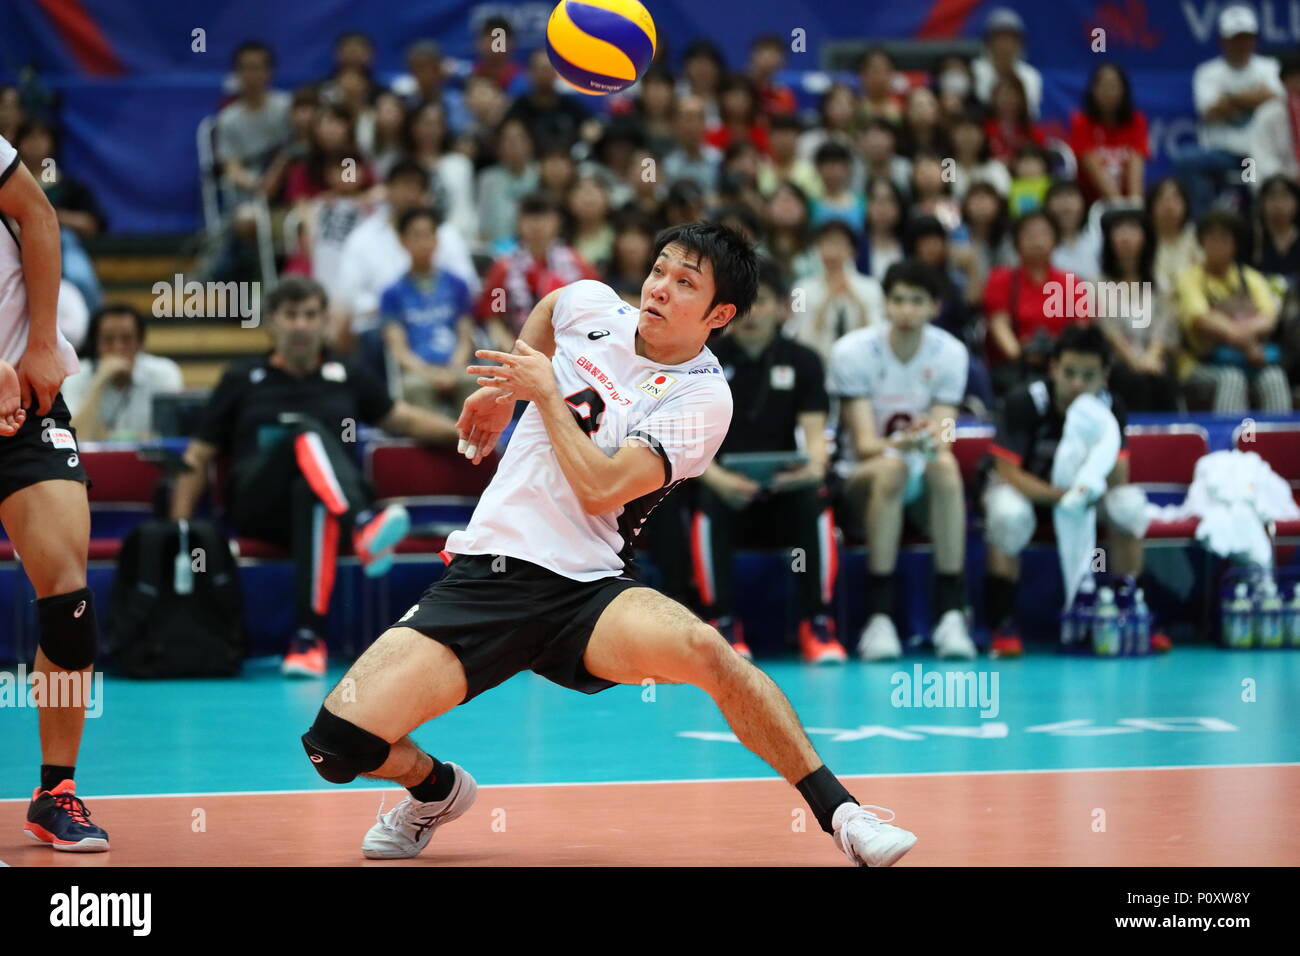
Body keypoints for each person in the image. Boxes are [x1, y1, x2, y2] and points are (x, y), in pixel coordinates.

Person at [299, 221, 918, 867]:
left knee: (709, 652)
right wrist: (503, 391)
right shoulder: (592, 305)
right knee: (333, 746)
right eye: (660, 270)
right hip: (487, 575)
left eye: (685, 284)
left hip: (588, 592)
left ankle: (845, 816)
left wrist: (543, 393)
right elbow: (548, 308)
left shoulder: (703, 397)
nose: (659, 289)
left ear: (720, 313)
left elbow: (600, 489)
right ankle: (436, 792)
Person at [170, 277, 460, 678]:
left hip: (320, 507)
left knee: (311, 492)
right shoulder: (242, 377)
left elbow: (405, 419)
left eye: (310, 315)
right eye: (291, 315)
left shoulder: (349, 374)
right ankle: (362, 524)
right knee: (305, 432)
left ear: (324, 321)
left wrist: (472, 432)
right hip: (258, 504)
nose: (301, 325)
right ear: (272, 322)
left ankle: (308, 642)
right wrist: (178, 530)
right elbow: (197, 455)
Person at [1, 132, 108, 851]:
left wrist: (40, 343)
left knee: (68, 601)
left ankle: (55, 790)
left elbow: (37, 215)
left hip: (28, 401)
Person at [688, 262, 845, 663]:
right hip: (725, 487)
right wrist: (719, 479)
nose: (751, 313)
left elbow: (815, 437)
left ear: (781, 309)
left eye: (760, 303)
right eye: (740, 304)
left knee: (817, 500)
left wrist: (811, 469)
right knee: (706, 505)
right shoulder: (704, 360)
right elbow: (687, 442)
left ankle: (818, 624)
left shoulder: (805, 361)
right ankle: (721, 623)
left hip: (784, 489)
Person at [830, 260, 976, 661]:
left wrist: (931, 437)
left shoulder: (950, 353)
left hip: (919, 475)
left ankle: (951, 615)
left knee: (945, 468)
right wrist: (905, 442)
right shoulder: (853, 352)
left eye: (917, 301)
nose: (907, 310)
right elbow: (864, 444)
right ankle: (879, 619)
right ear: (885, 306)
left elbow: (943, 440)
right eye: (898, 300)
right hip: (864, 476)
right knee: (892, 469)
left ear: (934, 307)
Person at [982, 324, 1147, 657]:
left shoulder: (1110, 408)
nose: (1076, 384)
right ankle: (1003, 623)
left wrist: (1104, 433)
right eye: (1068, 372)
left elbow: (1118, 478)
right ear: (1053, 368)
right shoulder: (1025, 401)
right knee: (1007, 516)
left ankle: (1127, 605)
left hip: (1083, 495)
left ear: (1105, 376)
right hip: (1026, 491)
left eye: (1088, 376)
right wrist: (1064, 498)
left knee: (1130, 506)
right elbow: (1008, 472)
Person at [335, 161, 478, 347]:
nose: (410, 194)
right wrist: (395, 307)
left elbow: (468, 286)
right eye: (404, 185)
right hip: (381, 325)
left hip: (441, 320)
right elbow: (349, 298)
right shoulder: (361, 238)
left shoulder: (446, 234)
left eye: (417, 187)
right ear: (387, 189)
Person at [1175, 210, 1289, 412]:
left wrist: (1237, 337)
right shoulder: (1189, 279)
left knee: (1275, 378)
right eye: (1212, 237)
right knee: (1232, 379)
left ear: (1235, 244)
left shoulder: (1251, 278)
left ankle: (1280, 444)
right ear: (1201, 242)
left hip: (1251, 361)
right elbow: (1201, 320)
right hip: (1202, 365)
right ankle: (1229, 444)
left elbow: (1269, 319)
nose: (1217, 244)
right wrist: (1247, 343)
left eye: (1224, 238)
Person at [1181, 5, 1283, 216]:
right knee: (1187, 159)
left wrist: (1229, 98)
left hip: (1257, 154)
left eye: (1246, 37)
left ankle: (1261, 227)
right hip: (1223, 154)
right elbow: (1210, 112)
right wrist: (1254, 97)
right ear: (1223, 41)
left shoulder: (1270, 67)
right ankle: (1204, 224)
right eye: (1235, 38)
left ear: (1255, 39)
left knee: (1273, 172)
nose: (1241, 44)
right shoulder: (1208, 72)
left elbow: (1277, 100)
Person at [380, 208, 477, 416]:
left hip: (455, 366)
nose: (423, 242)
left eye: (428, 234)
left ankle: (477, 447)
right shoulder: (392, 293)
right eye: (416, 235)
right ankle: (437, 444)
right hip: (418, 371)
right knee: (415, 388)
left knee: (475, 383)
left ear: (437, 239)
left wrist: (453, 369)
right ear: (402, 241)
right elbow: (398, 349)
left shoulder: (457, 284)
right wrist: (429, 373)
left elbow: (465, 337)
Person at [476, 193, 600, 353]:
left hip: (571, 352)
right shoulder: (504, 268)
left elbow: (595, 312)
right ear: (519, 222)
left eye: (544, 218)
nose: (537, 225)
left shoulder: (577, 265)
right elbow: (493, 318)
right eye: (530, 218)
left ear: (557, 222)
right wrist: (513, 352)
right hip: (518, 349)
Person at [984, 210, 1089, 394]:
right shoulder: (1001, 278)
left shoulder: (1071, 282)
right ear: (1017, 242)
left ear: (1055, 240)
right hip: (1016, 364)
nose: (1037, 240)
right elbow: (999, 325)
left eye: (1044, 233)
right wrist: (1020, 353)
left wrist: (1059, 357)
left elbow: (1080, 328)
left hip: (1062, 363)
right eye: (1030, 234)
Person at [1095, 209, 1179, 412]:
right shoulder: (1095, 285)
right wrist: (1136, 361)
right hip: (1116, 364)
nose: (1125, 237)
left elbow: (1164, 329)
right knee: (1133, 380)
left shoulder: (1160, 286)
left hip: (1154, 362)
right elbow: (1108, 332)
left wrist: (1151, 356)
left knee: (1161, 378)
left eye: (1132, 229)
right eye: (1119, 230)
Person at [63, 304, 184, 440]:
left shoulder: (164, 373)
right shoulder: (77, 373)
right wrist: (99, 382)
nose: (118, 348)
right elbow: (75, 437)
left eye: (126, 339)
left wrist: (106, 436)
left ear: (140, 342)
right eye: (108, 340)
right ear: (96, 344)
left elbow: (168, 435)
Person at [787, 220, 884, 366]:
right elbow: (795, 331)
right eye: (825, 244)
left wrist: (857, 301)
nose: (831, 251)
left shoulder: (872, 287)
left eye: (838, 244)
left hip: (860, 364)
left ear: (852, 250)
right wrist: (826, 301)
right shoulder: (800, 289)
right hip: (815, 364)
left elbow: (878, 333)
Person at [1069, 63, 1148, 204]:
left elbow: (1137, 163)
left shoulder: (1137, 121)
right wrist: (1119, 206)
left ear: (1124, 91)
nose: (1109, 92)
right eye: (1103, 86)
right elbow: (1092, 166)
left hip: (1127, 200)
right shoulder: (1081, 122)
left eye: (1114, 86)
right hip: (1091, 201)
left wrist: (1136, 204)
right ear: (1093, 90)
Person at [971, 7, 1043, 118]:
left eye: (1011, 39)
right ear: (988, 42)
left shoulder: (1031, 76)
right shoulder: (975, 71)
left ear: (1020, 44)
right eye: (1000, 38)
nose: (1005, 45)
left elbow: (1031, 115)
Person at [1248, 51, 1300, 186]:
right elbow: (1261, 156)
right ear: (1284, 81)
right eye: (1294, 78)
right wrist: (1289, 179)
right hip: (1283, 183)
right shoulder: (1268, 113)